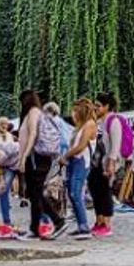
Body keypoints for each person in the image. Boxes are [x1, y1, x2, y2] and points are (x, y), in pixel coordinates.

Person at [16, 90, 66, 240]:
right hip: (37, 157)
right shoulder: (38, 112)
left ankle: (52, 223)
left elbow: (32, 135)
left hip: (35, 157)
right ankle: (41, 226)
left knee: (36, 193)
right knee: (34, 193)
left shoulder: (33, 112)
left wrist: (24, 157)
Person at [58, 97, 97, 239]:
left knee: (75, 192)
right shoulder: (80, 126)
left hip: (81, 162)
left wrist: (65, 156)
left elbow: (81, 146)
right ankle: (80, 224)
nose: (73, 114)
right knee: (71, 193)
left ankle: (84, 227)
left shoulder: (90, 125)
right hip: (74, 161)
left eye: (75, 111)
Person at [91, 92, 127, 237]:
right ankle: (98, 220)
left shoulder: (113, 121)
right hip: (96, 162)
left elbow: (115, 144)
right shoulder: (99, 121)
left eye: (99, 106)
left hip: (107, 162)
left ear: (107, 106)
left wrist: (111, 163)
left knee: (104, 191)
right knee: (95, 190)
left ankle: (106, 222)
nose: (96, 108)